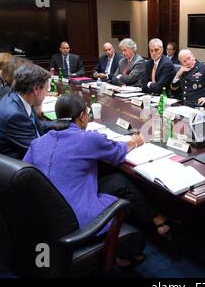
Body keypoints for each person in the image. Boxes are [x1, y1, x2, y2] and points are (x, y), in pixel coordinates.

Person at [23, 94, 172, 239]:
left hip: (43, 215)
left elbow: (25, 175)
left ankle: (156, 218)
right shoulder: (87, 139)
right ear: (82, 116)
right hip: (74, 219)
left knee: (118, 181)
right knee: (121, 188)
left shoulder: (37, 143)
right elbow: (117, 152)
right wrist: (134, 142)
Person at [0, 64, 55, 159]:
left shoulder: (18, 97)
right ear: (35, 89)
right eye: (47, 89)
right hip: (13, 166)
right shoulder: (14, 115)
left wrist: (62, 124)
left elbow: (33, 125)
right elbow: (39, 152)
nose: (47, 93)